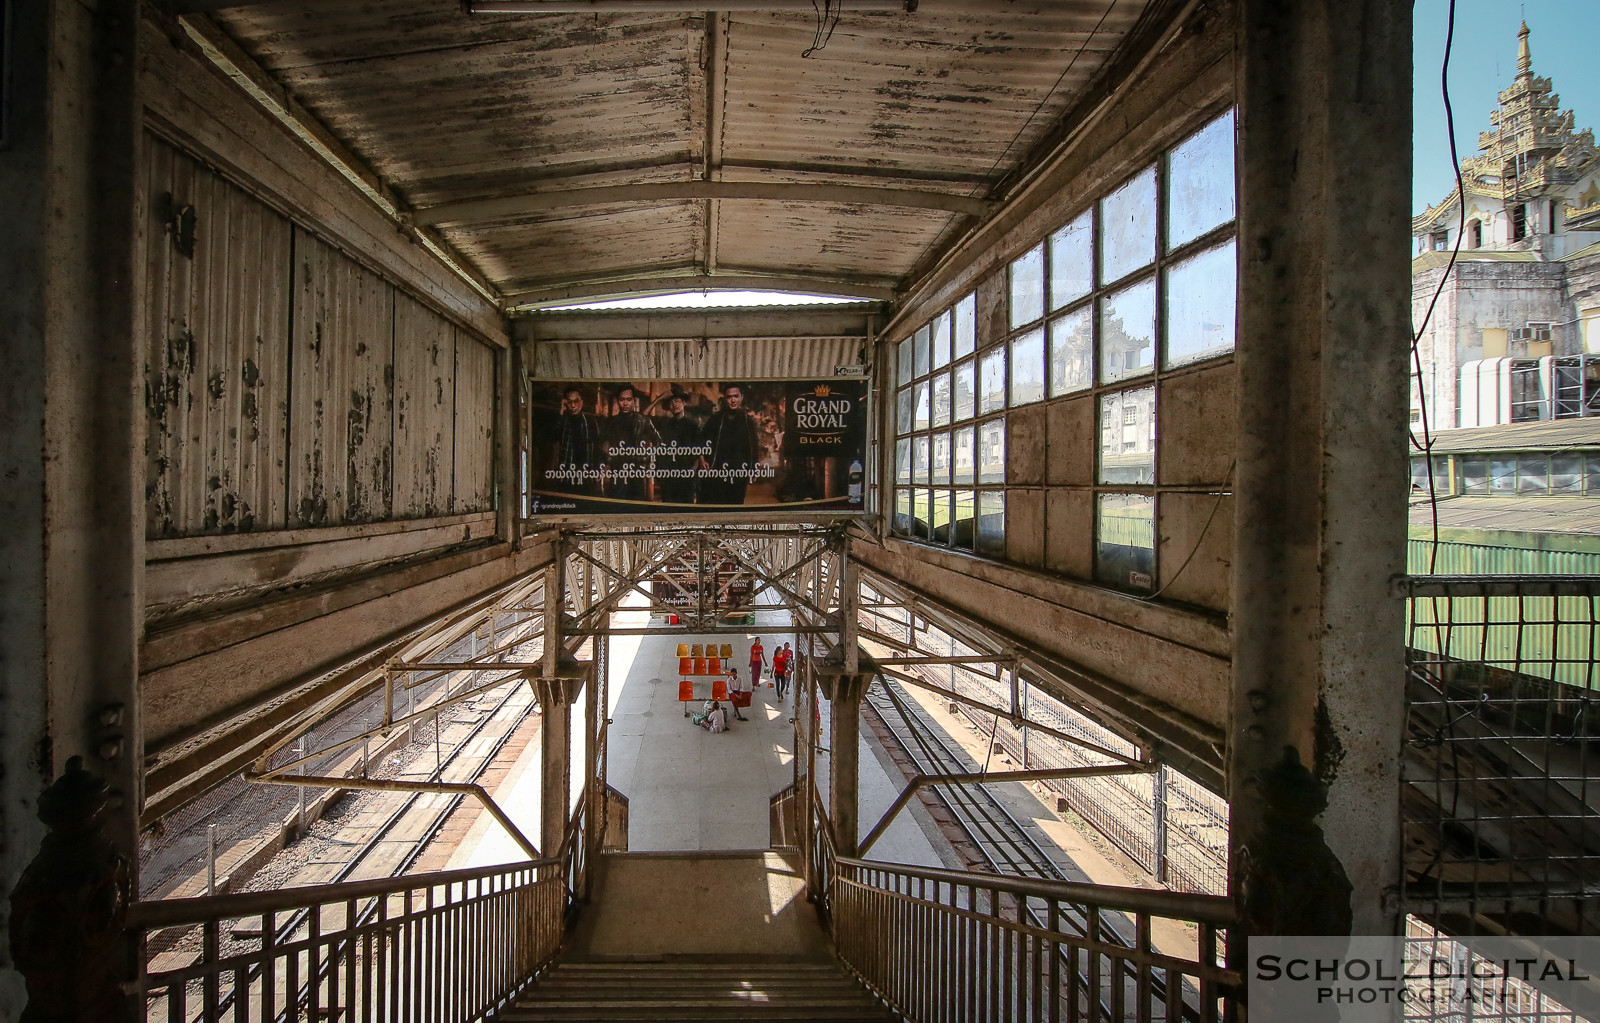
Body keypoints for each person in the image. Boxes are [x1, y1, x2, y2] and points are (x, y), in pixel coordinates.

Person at [698, 383, 760, 505]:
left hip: (738, 473)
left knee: (735, 507)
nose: (733, 400)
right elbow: (701, 440)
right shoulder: (716, 419)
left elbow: (753, 448)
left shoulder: (748, 421)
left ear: (741, 397)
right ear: (725, 398)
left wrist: (753, 469)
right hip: (717, 472)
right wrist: (701, 459)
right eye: (729, 397)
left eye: (736, 396)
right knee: (717, 507)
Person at [602, 383, 662, 502]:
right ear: (618, 401)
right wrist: (607, 462)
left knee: (637, 506)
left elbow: (658, 442)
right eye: (622, 399)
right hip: (618, 472)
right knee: (617, 506)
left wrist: (647, 458)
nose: (625, 403)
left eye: (629, 399)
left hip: (637, 473)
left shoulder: (643, 421)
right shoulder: (611, 422)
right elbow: (602, 444)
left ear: (634, 401)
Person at [652, 386, 700, 505]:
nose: (675, 405)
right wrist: (659, 399)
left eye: (677, 401)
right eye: (671, 403)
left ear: (683, 403)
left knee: (686, 510)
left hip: (687, 476)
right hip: (668, 477)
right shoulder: (664, 424)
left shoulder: (693, 426)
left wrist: (692, 472)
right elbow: (643, 416)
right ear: (668, 407)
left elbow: (700, 451)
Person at [549, 385, 600, 495]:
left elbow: (597, 447)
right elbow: (553, 436)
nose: (573, 405)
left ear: (581, 402)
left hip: (586, 472)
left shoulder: (590, 421)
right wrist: (561, 410)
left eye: (576, 401)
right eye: (569, 401)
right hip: (567, 472)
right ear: (565, 403)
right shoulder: (563, 420)